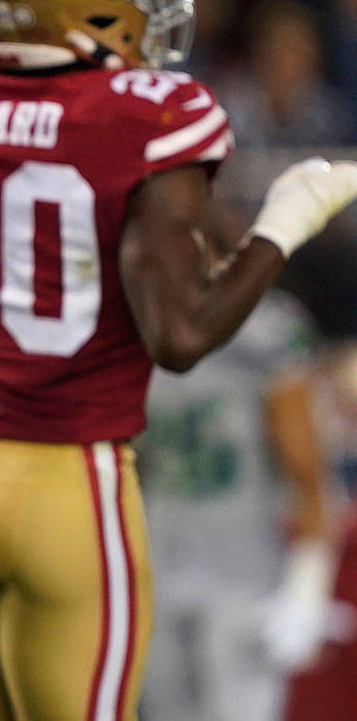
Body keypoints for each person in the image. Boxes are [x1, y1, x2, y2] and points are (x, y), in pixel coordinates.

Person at [0, 0, 357, 720]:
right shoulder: (146, 114)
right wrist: (283, 224)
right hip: (68, 480)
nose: (154, 14)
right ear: (74, 6)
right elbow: (180, 335)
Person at [139, 291, 331, 720]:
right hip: (159, 564)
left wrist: (310, 583)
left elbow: (308, 469)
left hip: (244, 572)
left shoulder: (264, 328)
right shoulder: (136, 316)